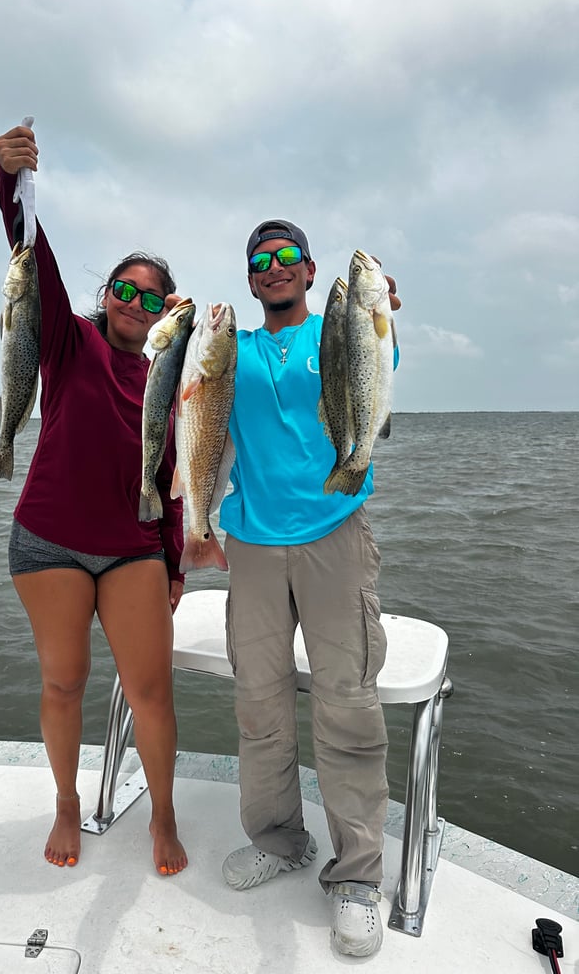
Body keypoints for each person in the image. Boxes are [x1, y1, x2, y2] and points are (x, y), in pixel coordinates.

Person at [0, 123, 188, 877]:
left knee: (151, 692)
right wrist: (9, 180)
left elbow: (171, 479)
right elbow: (30, 257)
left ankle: (163, 817)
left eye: (155, 296)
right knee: (64, 679)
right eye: (127, 289)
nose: (139, 301)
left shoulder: (168, 381)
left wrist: (175, 564)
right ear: (105, 294)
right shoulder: (68, 341)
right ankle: (68, 803)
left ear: (170, 313)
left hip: (134, 545)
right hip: (48, 540)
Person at [218, 220, 401, 957]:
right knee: (258, 704)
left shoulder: (344, 326)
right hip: (253, 543)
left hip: (336, 530)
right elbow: (192, 407)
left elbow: (376, 365)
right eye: (262, 260)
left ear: (310, 267)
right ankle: (278, 837)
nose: (275, 267)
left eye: (288, 256)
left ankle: (356, 876)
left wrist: (380, 310)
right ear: (251, 277)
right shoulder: (233, 351)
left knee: (347, 702)